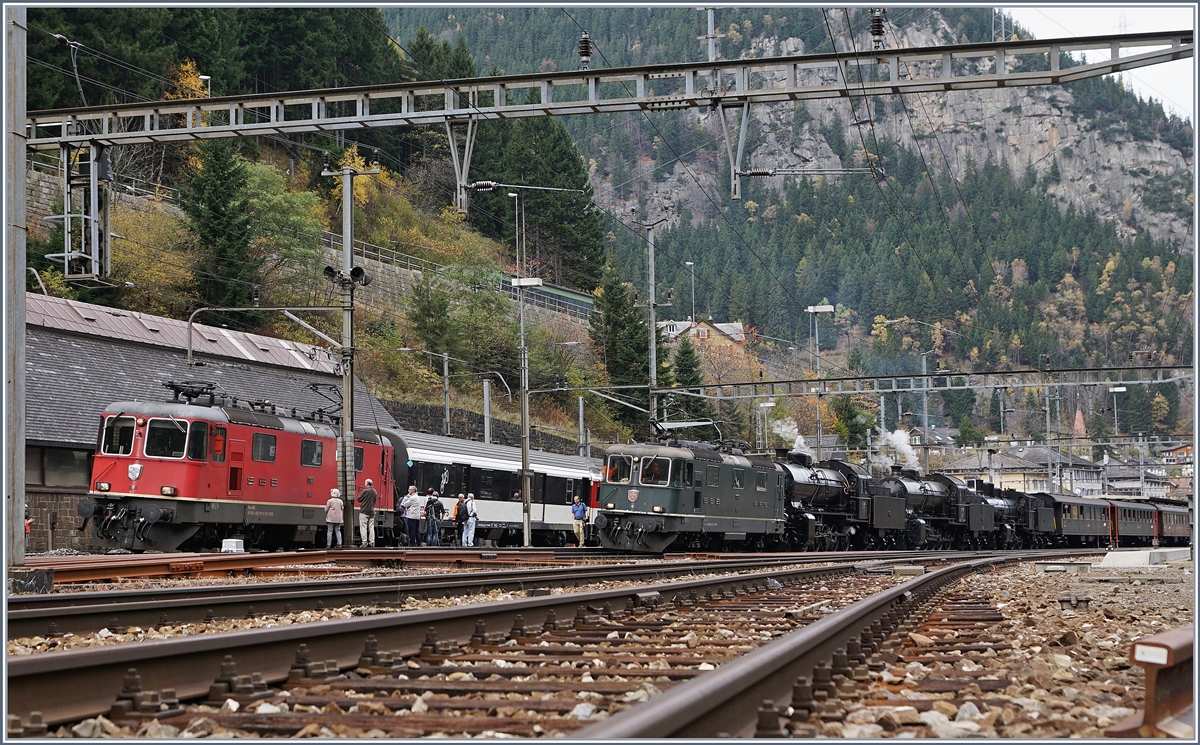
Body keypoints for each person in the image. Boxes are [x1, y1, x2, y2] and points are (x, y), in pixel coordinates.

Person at [357, 479, 378, 548]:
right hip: (372, 511)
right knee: (371, 527)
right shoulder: (375, 491)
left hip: (364, 511)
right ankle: (372, 542)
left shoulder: (366, 491)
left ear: (367, 484)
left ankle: (364, 542)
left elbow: (359, 499)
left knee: (363, 527)